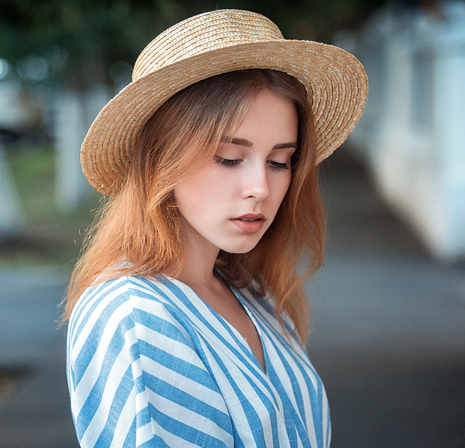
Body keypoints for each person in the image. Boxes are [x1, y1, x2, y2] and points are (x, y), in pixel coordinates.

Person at [64, 9, 367, 448]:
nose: (260, 187)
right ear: (160, 161)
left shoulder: (249, 291)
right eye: (229, 157)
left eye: (280, 161)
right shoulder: (133, 312)